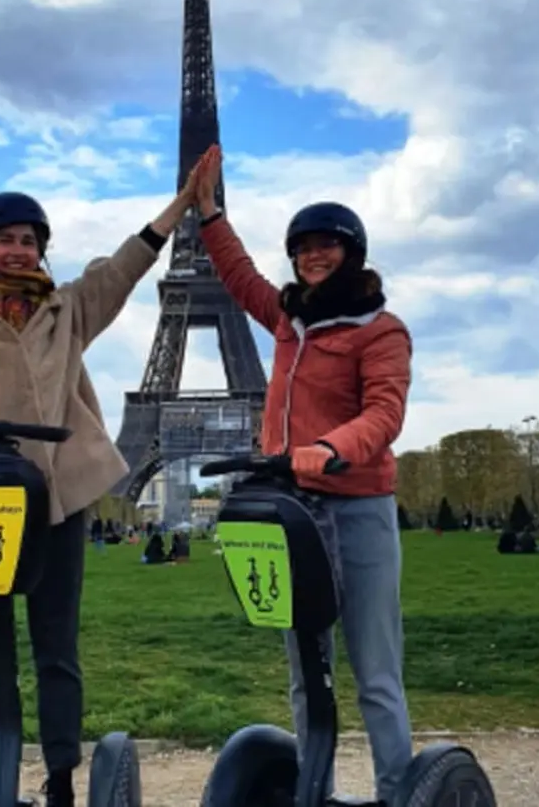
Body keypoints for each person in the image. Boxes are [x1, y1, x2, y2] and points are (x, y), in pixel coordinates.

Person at [0, 154, 214, 807]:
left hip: (58, 498)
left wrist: (182, 207)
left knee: (55, 643)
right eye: (6, 239)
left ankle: (61, 775)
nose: (17, 250)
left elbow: (123, 268)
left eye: (29, 241)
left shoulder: (67, 309)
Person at [192, 144, 414, 802]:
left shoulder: (380, 329)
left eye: (326, 246)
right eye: (302, 247)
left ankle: (397, 789)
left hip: (355, 506)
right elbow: (237, 278)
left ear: (353, 252)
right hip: (291, 513)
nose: (312, 256)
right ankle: (311, 791)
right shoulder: (291, 320)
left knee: (375, 671)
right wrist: (208, 214)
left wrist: (331, 447)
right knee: (306, 669)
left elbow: (385, 412)